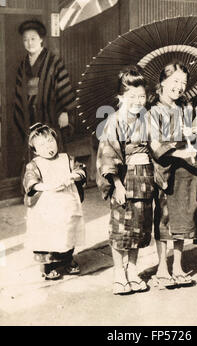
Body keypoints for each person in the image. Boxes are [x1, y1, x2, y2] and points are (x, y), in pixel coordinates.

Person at [97, 69, 154, 295]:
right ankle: (119, 273)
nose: (137, 102)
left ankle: (132, 270)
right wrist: (117, 185)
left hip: (144, 179)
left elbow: (156, 147)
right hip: (124, 179)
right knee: (121, 229)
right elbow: (108, 155)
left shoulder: (147, 118)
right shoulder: (114, 121)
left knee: (138, 228)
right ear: (121, 97)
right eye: (131, 97)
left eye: (141, 97)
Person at [148, 61, 197, 289]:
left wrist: (194, 136)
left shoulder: (187, 108)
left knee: (183, 216)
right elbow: (154, 143)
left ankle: (178, 265)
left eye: (183, 83)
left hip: (186, 170)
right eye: (175, 81)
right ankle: (162, 266)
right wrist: (179, 151)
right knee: (164, 217)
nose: (179, 87)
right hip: (166, 168)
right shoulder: (152, 111)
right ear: (162, 82)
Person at [23, 123, 86, 280]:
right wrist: (46, 186)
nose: (48, 146)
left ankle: (67, 258)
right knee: (48, 233)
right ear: (35, 150)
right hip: (46, 205)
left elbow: (80, 170)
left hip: (66, 203)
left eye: (50, 141)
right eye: (42, 145)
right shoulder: (35, 164)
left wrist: (73, 176)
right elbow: (31, 182)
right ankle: (48, 265)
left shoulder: (67, 159)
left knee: (68, 229)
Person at [14, 19, 75, 165]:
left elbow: (64, 88)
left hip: (51, 116)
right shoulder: (23, 65)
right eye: (26, 40)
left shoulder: (54, 62)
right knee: (32, 154)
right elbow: (18, 94)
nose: (29, 43)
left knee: (53, 151)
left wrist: (66, 111)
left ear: (41, 39)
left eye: (33, 38)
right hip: (30, 118)